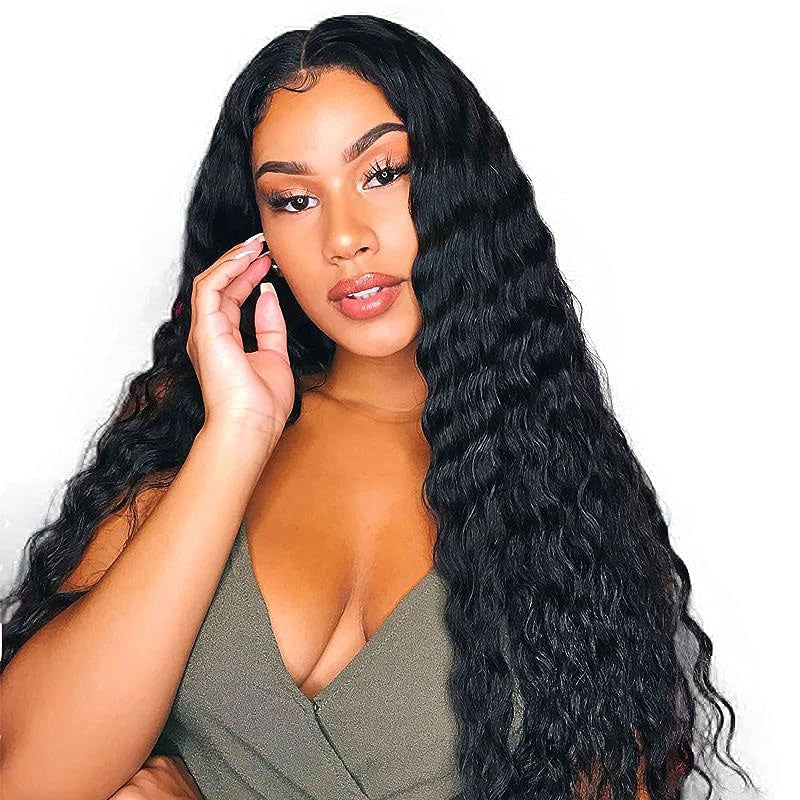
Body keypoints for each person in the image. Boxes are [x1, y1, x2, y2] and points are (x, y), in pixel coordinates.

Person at [0, 13, 756, 800]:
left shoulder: (562, 494)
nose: (344, 237)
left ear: (460, 188)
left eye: (382, 173)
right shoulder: (185, 432)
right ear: (257, 238)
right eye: (294, 199)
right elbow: (31, 782)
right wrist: (238, 434)